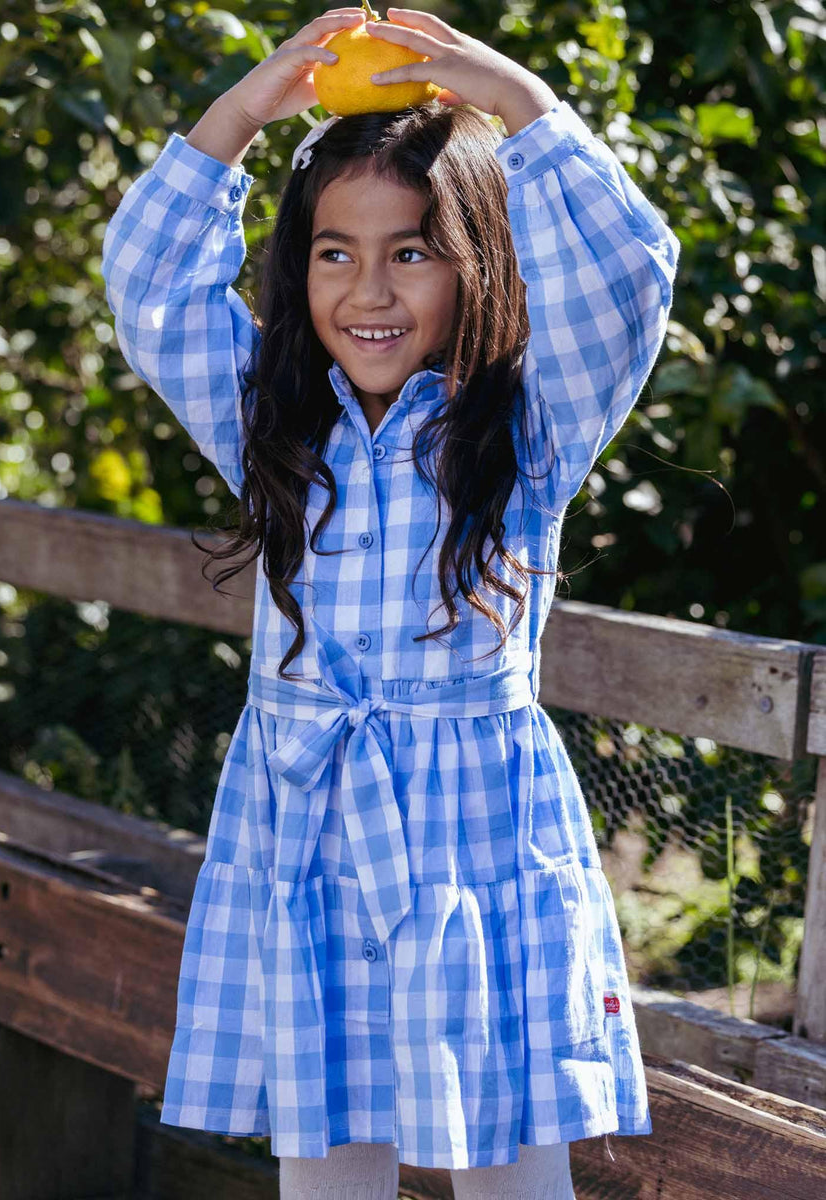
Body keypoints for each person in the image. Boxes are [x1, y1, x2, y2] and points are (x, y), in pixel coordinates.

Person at [100, 6, 680, 1197]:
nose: (369, 289)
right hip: (306, 839)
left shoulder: (526, 431)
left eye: (412, 252)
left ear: (476, 262)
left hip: (475, 852)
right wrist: (242, 113)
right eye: (335, 252)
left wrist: (521, 102)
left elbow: (624, 281)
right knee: (326, 1170)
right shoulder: (272, 424)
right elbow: (150, 285)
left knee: (510, 1172)